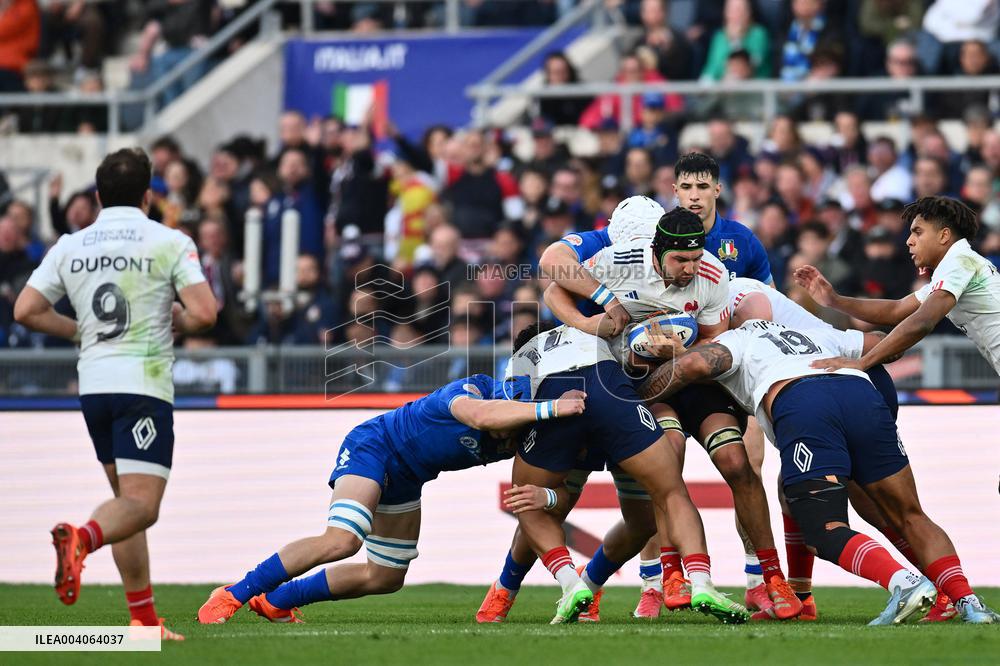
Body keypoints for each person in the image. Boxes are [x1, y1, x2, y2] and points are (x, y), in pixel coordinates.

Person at [479, 205, 795, 623]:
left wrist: (680, 351)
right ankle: (505, 590)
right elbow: (553, 280)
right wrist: (594, 321)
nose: (688, 269)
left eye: (694, 258)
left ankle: (606, 586)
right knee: (559, 500)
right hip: (608, 389)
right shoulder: (613, 258)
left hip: (661, 386)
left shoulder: (712, 274)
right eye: (679, 259)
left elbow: (718, 343)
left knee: (660, 505)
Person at [638, 318, 1000, 624]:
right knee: (909, 513)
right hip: (861, 393)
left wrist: (659, 368)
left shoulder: (736, 337)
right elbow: (886, 344)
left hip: (805, 403)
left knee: (823, 530)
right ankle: (968, 602)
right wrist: (855, 358)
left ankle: (902, 581)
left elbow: (696, 367)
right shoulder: (811, 330)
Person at [12, 148, 218, 640]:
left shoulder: (71, 244)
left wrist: (78, 331)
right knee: (142, 507)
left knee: (126, 506)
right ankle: (80, 538)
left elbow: (25, 308)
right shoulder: (169, 241)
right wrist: (178, 318)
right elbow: (206, 312)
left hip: (94, 387)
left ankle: (144, 622)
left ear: (99, 196)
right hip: (142, 387)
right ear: (149, 195)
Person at [196, 375, 585, 624]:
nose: (510, 439)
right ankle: (232, 594)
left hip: (407, 478)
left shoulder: (525, 437)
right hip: (374, 447)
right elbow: (483, 417)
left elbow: (564, 494)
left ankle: (276, 600)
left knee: (386, 577)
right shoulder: (471, 393)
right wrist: (551, 408)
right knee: (342, 540)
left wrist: (545, 494)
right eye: (514, 425)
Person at [498, 320, 748, 625]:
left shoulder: (521, 358)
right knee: (670, 493)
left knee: (526, 499)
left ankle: (571, 586)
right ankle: (701, 582)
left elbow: (515, 405)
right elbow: (635, 357)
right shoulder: (589, 329)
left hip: (558, 405)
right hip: (611, 394)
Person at [796, 196, 1000, 376]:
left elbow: (922, 321)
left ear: (944, 236)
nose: (909, 241)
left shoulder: (958, 261)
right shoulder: (957, 265)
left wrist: (863, 363)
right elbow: (896, 309)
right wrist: (835, 300)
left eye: (918, 232)